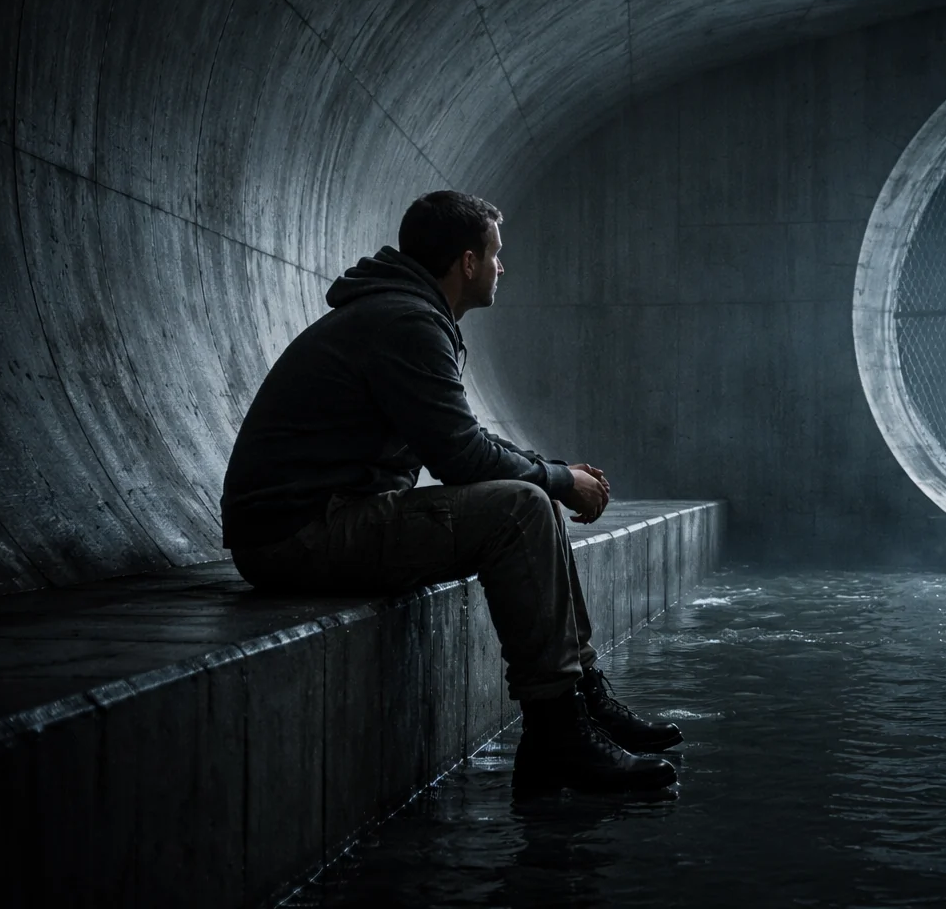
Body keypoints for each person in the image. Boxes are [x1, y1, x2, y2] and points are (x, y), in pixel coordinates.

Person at [221, 190, 680, 792]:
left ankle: (582, 701)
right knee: (520, 509)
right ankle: (557, 730)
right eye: (495, 254)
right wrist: (562, 480)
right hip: (299, 535)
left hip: (317, 522)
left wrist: (555, 470)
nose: (501, 267)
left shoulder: (404, 313)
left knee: (529, 498)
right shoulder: (406, 321)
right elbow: (461, 458)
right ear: (467, 262)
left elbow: (458, 435)